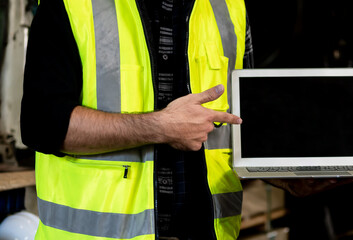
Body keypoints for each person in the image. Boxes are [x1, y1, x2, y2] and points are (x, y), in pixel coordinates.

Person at [20, 0, 253, 239]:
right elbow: (43, 125)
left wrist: (281, 172)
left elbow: (249, 115)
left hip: (208, 232)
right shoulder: (71, 4)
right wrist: (161, 127)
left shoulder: (231, 6)